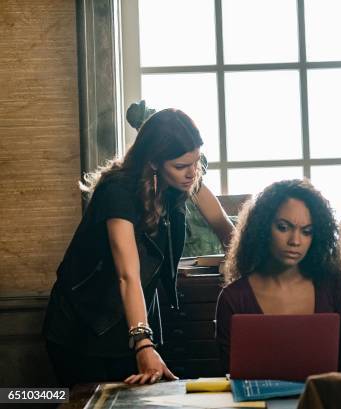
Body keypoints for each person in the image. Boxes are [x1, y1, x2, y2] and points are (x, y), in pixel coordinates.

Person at [43, 108, 234, 387]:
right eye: (181, 166)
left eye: (196, 162)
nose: (192, 173)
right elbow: (127, 274)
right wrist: (143, 343)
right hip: (82, 325)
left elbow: (223, 226)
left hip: (129, 318)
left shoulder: (184, 178)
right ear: (154, 162)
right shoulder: (117, 190)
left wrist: (256, 266)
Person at [215, 179, 341, 373]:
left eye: (306, 231)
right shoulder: (233, 298)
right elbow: (232, 372)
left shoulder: (333, 286)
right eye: (283, 228)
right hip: (258, 403)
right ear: (262, 228)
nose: (295, 241)